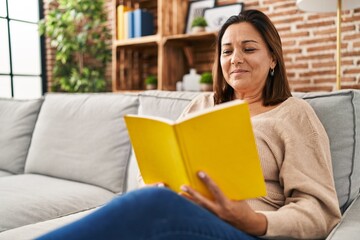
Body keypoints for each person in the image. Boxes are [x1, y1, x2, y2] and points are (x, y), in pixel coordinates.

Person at [37, 9, 341, 240]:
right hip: (182, 214)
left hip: (244, 231)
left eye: (248, 49)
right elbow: (157, 170)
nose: (235, 59)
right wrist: (156, 182)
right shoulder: (203, 106)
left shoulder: (293, 114)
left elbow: (320, 210)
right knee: (147, 200)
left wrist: (254, 220)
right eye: (227, 51)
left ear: (273, 58)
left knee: (152, 206)